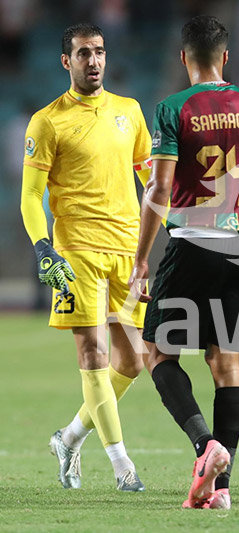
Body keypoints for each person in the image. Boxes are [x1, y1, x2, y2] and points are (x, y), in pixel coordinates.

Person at [128, 15, 239, 510]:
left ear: (183, 57)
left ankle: (204, 446)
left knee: (157, 353)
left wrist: (143, 258)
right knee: (227, 362)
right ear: (226, 58)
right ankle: (221, 490)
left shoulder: (174, 107)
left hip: (192, 241)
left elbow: (162, 187)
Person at [20, 23, 152, 491]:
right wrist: (43, 247)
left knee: (134, 360)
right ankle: (123, 468)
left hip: (128, 250)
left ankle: (70, 438)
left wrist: (159, 239)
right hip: (76, 250)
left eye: (98, 52)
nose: (93, 61)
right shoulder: (47, 121)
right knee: (93, 354)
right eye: (82, 54)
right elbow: (30, 196)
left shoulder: (130, 112)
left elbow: (151, 182)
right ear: (66, 62)